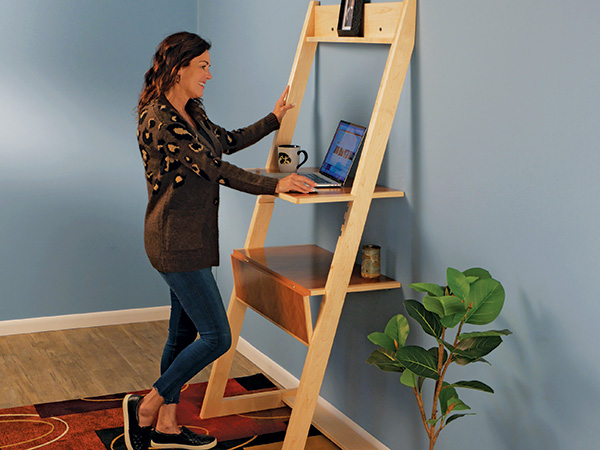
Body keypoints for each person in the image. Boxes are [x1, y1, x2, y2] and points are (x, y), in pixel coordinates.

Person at [123, 31, 316, 450]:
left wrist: (273, 119)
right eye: (204, 66)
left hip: (191, 239)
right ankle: (147, 406)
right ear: (179, 68)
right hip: (174, 241)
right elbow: (216, 168)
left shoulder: (191, 110)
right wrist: (275, 186)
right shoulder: (159, 118)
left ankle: (167, 428)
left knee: (181, 335)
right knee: (218, 337)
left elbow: (224, 141)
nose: (210, 74)